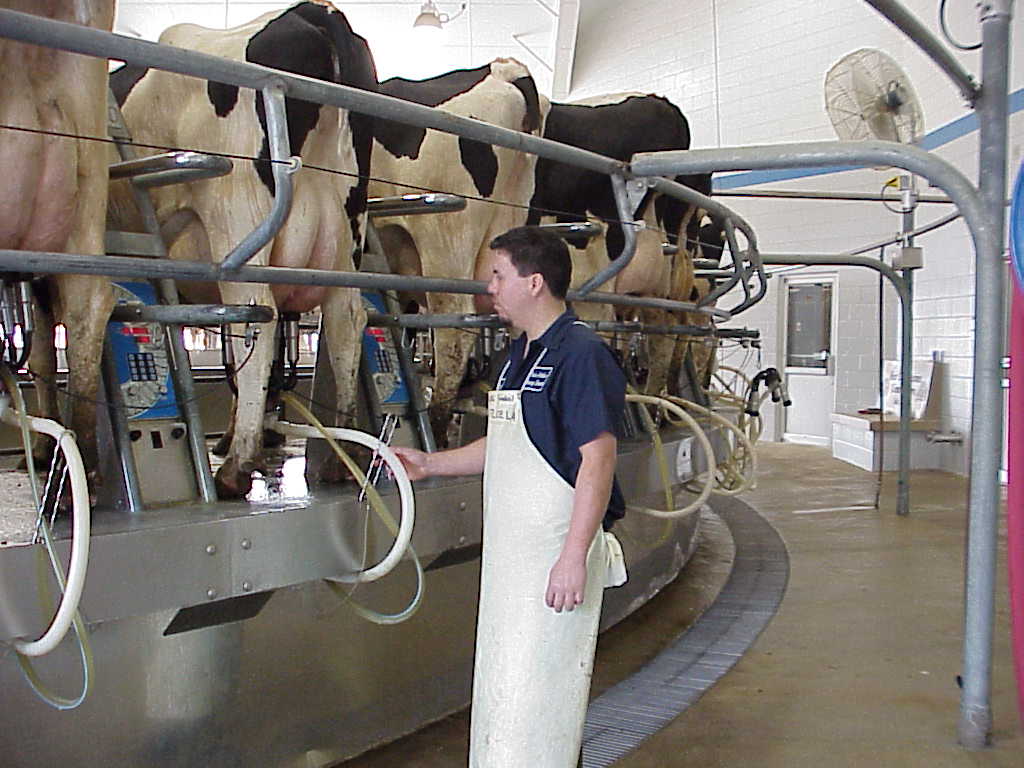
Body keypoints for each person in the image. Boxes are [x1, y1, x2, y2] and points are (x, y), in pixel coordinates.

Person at [393, 225, 627, 767]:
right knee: (509, 692)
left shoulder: (580, 355)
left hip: (553, 557)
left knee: (546, 696)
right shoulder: (518, 354)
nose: (489, 289)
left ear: (535, 282)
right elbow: (507, 446)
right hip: (514, 562)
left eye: (498, 276)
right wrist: (429, 464)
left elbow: (598, 460)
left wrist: (573, 558)